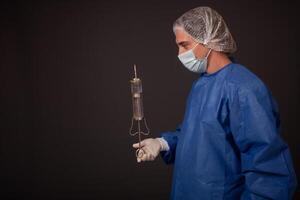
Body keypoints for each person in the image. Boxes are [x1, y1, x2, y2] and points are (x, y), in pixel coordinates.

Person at [132, 6, 297, 200]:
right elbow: (197, 136)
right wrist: (162, 143)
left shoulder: (243, 89)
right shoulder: (202, 85)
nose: (179, 53)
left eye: (184, 45)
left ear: (208, 41)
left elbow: (268, 169)